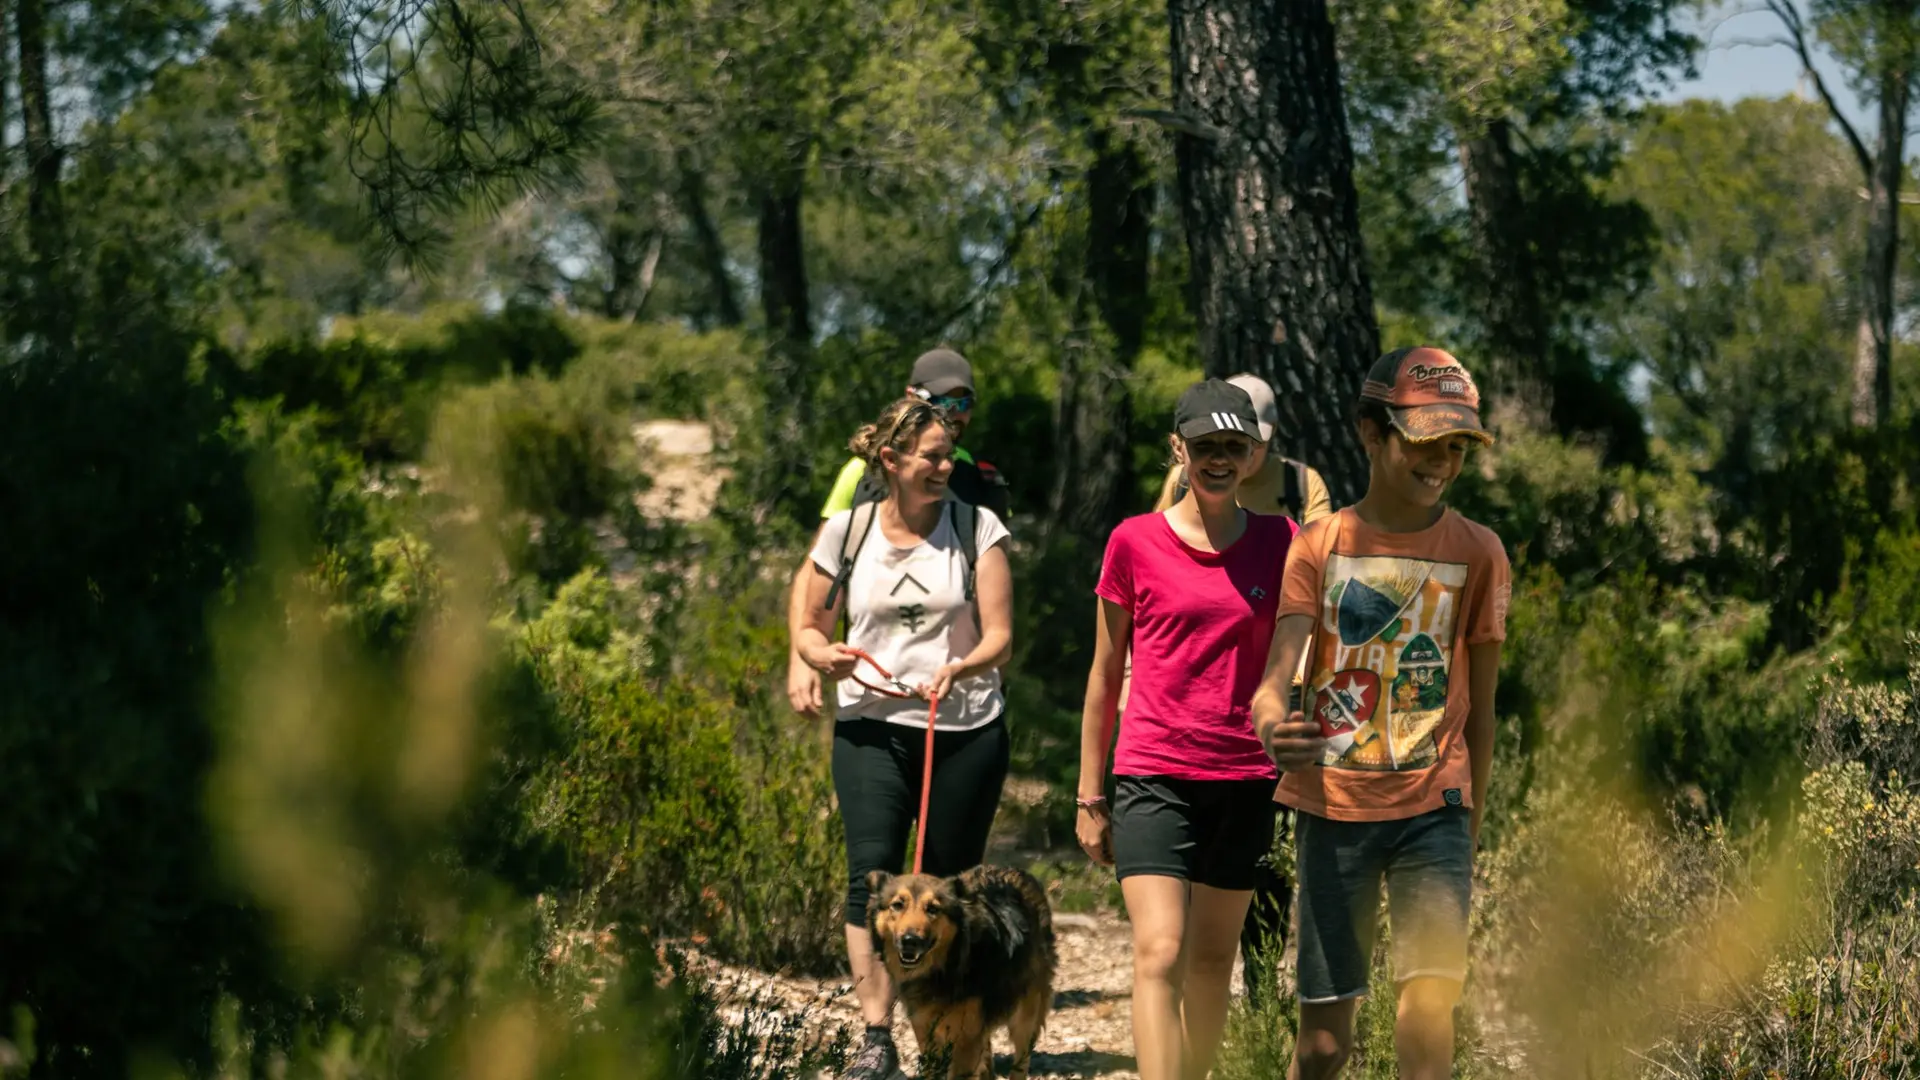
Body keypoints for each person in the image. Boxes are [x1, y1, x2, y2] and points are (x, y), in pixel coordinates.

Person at [1251, 346, 1512, 1080]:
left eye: (1457, 447)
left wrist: (1469, 825)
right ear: (1371, 433)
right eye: (1425, 442)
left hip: (1436, 812)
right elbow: (1273, 683)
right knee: (1324, 1045)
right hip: (1334, 808)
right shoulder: (1320, 546)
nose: (1442, 462)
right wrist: (1274, 729)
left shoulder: (1479, 552)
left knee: (1427, 1018)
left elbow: (1483, 711)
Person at [1075, 379, 1298, 1080]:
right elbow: (1104, 676)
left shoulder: (1282, 541)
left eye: (1233, 446)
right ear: (1179, 449)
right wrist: (1089, 795)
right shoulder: (1132, 542)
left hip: (1247, 777)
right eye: (1205, 446)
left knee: (1210, 962)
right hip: (1153, 773)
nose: (1219, 459)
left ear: (1254, 455)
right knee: (1160, 952)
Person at [789, 395, 1015, 1080]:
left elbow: (1001, 637)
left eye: (949, 457)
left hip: (964, 727)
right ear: (890, 459)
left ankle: (945, 1030)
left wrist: (963, 666)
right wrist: (818, 655)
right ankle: (876, 1036)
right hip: (871, 726)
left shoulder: (977, 527)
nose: (946, 467)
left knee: (947, 887)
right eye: (933, 457)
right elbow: (810, 624)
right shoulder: (847, 532)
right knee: (872, 875)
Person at [1148, 372, 1334, 995]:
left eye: (1246, 443)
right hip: (1197, 686)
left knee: (1269, 848)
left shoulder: (1299, 485)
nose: (1230, 457)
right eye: (1211, 444)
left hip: (1284, 682)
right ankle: (1190, 977)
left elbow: (1321, 565)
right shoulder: (1184, 479)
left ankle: (1259, 979)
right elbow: (1158, 560)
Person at [788, 347, 1009, 718]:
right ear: (912, 396)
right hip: (874, 697)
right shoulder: (860, 473)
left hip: (967, 704)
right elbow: (814, 570)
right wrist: (802, 658)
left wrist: (993, 675)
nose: (954, 414)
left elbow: (997, 598)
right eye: (942, 401)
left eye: (964, 403)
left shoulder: (979, 479)